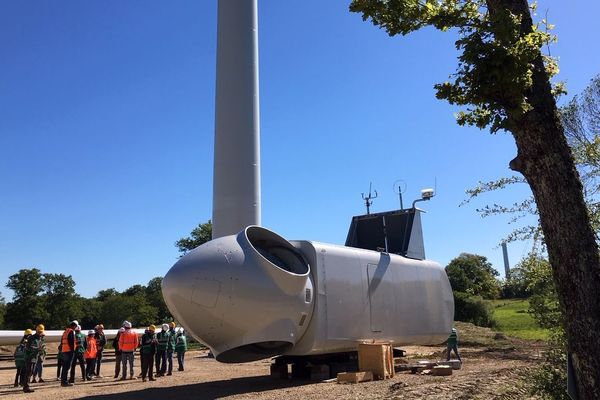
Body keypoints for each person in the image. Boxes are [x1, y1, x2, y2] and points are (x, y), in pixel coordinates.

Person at [22, 324, 46, 393]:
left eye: (41, 332)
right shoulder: (31, 338)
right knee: (29, 372)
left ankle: (26, 386)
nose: (40, 333)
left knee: (31, 372)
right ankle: (26, 387)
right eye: (39, 331)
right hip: (29, 357)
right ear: (37, 331)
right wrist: (37, 349)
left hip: (34, 357)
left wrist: (41, 349)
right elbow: (28, 347)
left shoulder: (39, 338)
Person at [60, 320, 78, 387]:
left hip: (64, 350)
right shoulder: (71, 331)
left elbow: (62, 341)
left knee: (64, 367)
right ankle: (64, 382)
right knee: (67, 367)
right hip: (69, 351)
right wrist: (73, 350)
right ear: (74, 325)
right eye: (75, 327)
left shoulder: (65, 331)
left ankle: (63, 381)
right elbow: (71, 342)